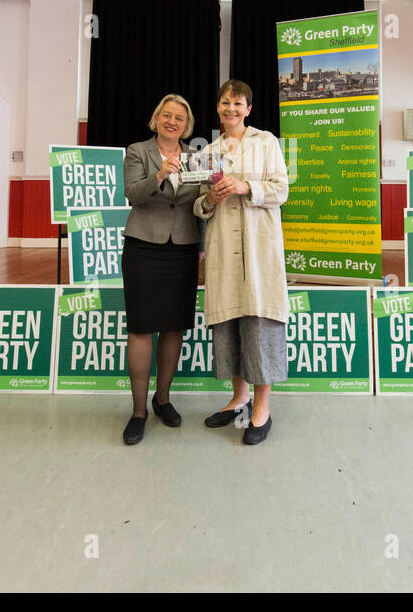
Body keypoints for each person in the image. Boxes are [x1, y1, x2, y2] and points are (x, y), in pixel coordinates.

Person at [193, 80, 289, 445]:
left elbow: (282, 189)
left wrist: (247, 187)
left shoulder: (266, 142)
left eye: (237, 103)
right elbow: (198, 205)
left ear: (248, 108)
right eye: (224, 102)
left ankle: (262, 406)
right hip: (222, 248)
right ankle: (239, 397)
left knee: (259, 320)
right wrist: (212, 198)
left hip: (259, 246)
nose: (230, 108)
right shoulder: (208, 151)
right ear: (217, 107)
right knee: (230, 322)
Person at [119, 94, 201, 445]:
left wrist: (211, 196)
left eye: (179, 118)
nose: (172, 121)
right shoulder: (138, 151)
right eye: (166, 115)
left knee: (173, 328)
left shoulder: (197, 157)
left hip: (182, 249)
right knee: (141, 328)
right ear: (156, 119)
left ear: (187, 125)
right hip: (142, 248)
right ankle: (138, 412)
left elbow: (198, 201)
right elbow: (133, 194)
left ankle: (162, 398)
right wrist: (159, 174)